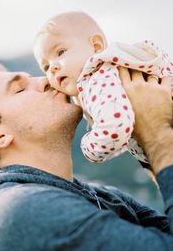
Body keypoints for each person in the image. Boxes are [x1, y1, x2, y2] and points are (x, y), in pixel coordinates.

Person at [0, 60, 173, 251]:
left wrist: (146, 137)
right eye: (20, 89)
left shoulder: (105, 196)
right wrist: (157, 136)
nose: (45, 80)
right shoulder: (21, 212)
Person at [33, 11, 173, 164]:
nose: (53, 67)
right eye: (46, 67)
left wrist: (88, 145)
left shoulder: (96, 80)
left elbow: (114, 128)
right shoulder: (114, 69)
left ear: (96, 46)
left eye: (61, 52)